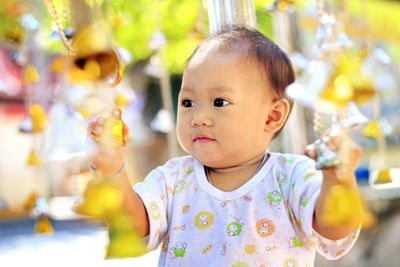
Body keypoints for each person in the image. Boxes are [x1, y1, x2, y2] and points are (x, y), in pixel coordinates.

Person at [88, 27, 362, 266]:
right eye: (187, 103)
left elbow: (333, 229)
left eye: (219, 102)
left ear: (272, 116)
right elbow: (133, 230)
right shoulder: (172, 180)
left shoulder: (291, 177)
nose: (198, 118)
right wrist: (113, 171)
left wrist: (338, 180)